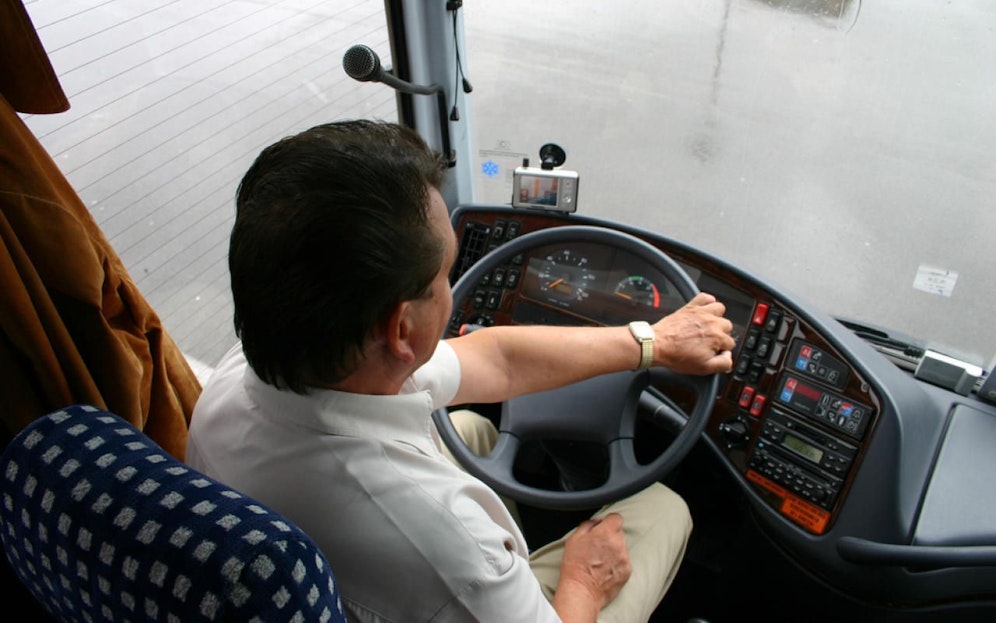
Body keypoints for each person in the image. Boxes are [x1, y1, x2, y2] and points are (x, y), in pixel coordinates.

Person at [186, 119, 735, 622]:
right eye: (448, 273)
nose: (454, 292)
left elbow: (494, 358)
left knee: (478, 432)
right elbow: (448, 546)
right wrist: (585, 582)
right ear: (400, 331)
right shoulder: (453, 551)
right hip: (426, 569)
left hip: (315, 525)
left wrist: (653, 342)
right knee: (663, 509)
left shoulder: (258, 364)